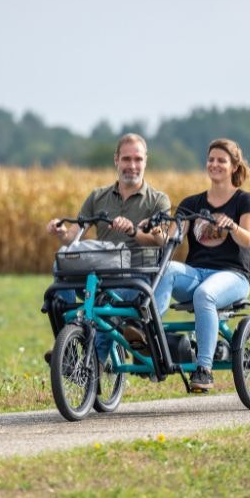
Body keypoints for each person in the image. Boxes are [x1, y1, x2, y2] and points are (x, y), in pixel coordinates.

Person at [44, 133, 170, 363]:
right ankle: (69, 339)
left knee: (104, 304)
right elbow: (75, 236)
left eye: (138, 159)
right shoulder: (98, 197)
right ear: (116, 160)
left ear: (145, 161)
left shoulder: (158, 201)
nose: (132, 165)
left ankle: (94, 364)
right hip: (102, 274)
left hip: (137, 278)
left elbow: (162, 239)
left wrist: (135, 231)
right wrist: (62, 232)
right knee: (59, 267)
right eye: (126, 159)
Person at [152, 138, 250, 392]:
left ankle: (204, 369)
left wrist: (231, 225)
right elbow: (173, 239)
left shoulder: (245, 201)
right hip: (196, 273)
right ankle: (151, 336)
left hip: (233, 276)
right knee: (166, 270)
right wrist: (160, 236)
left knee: (205, 295)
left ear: (234, 166)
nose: (214, 164)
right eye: (211, 159)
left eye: (221, 160)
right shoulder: (191, 204)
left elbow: (247, 238)